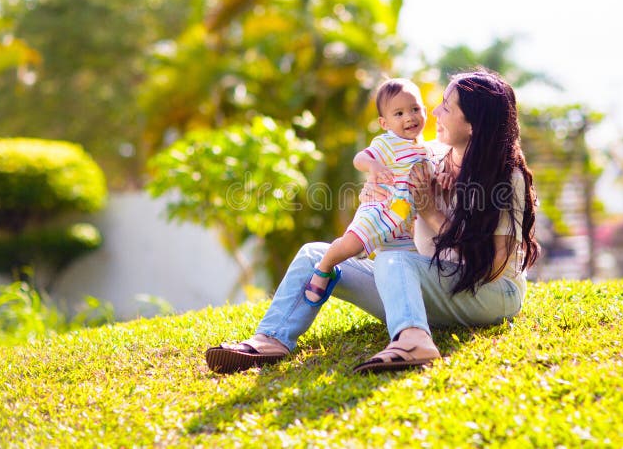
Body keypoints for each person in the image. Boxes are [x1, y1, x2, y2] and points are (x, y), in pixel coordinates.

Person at [205, 69, 540, 374]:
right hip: (422, 279)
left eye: (447, 107)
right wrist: (376, 195)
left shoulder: (505, 177)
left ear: (474, 124)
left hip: (490, 294)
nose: (434, 112)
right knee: (314, 255)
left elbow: (492, 265)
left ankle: (413, 340)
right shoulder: (432, 155)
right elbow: (389, 187)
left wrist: (429, 212)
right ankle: (271, 339)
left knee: (395, 261)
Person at [303, 78, 431, 306]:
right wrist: (373, 166)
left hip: (405, 220)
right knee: (352, 243)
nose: (409, 117)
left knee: (407, 262)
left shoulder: (426, 149)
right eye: (399, 113)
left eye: (415, 109)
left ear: (425, 112)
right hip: (380, 208)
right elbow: (359, 158)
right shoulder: (387, 142)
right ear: (384, 123)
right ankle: (324, 267)